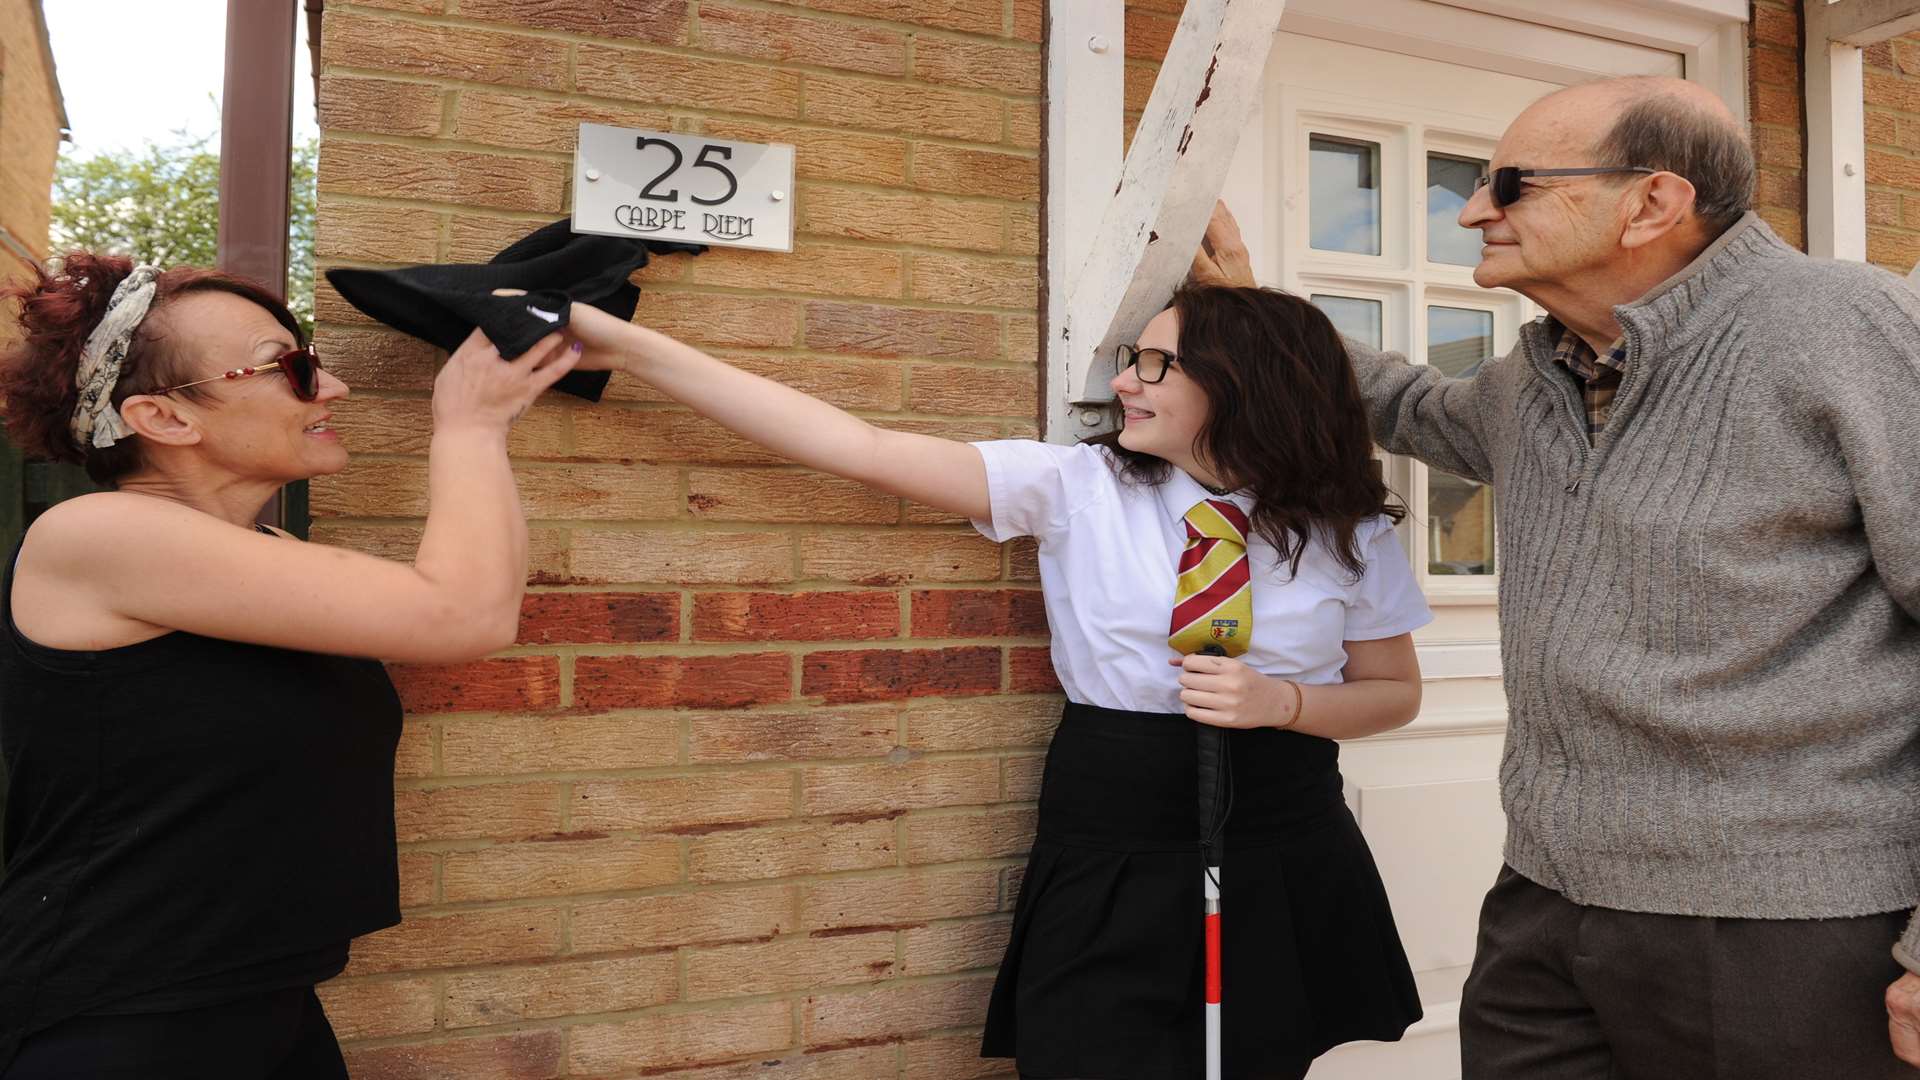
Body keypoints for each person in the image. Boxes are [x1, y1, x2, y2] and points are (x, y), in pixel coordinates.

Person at [1193, 74, 1920, 1079]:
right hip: (1545, 909)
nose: (1474, 208)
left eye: (1512, 183)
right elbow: (1404, 404)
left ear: (1653, 203)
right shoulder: (1540, 376)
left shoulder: (1853, 331)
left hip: (1793, 928)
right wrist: (1251, 310)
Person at [549, 282, 1433, 1078]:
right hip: (1114, 820)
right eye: (1132, 360)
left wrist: (1286, 703)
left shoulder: (1343, 530)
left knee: (1251, 1058)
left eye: (1156, 364)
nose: (1125, 380)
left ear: (1244, 384)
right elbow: (856, 445)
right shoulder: (1077, 486)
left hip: (1282, 832)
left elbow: (1394, 692)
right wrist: (633, 348)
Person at [0, 252, 578, 1078]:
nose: (330, 387)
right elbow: (464, 613)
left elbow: (484, 604)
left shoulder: (265, 557)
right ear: (162, 418)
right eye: (290, 367)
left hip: (266, 1005)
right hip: (115, 1021)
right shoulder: (94, 536)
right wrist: (471, 426)